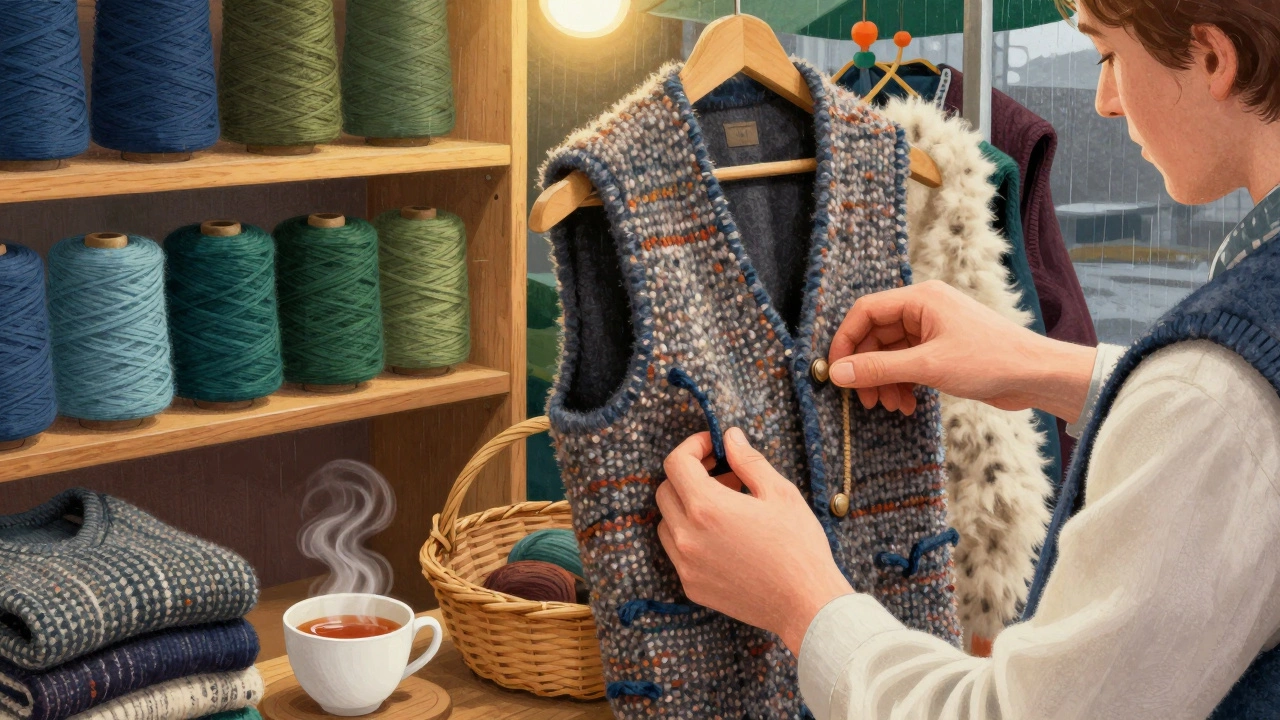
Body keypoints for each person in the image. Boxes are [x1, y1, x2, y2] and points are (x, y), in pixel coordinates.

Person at [653, 0, 1280, 717]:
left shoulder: (1215, 399)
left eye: (1108, 55)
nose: (1104, 102)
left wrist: (802, 599)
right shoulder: (1221, 388)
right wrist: (1045, 368)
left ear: (1211, 57)